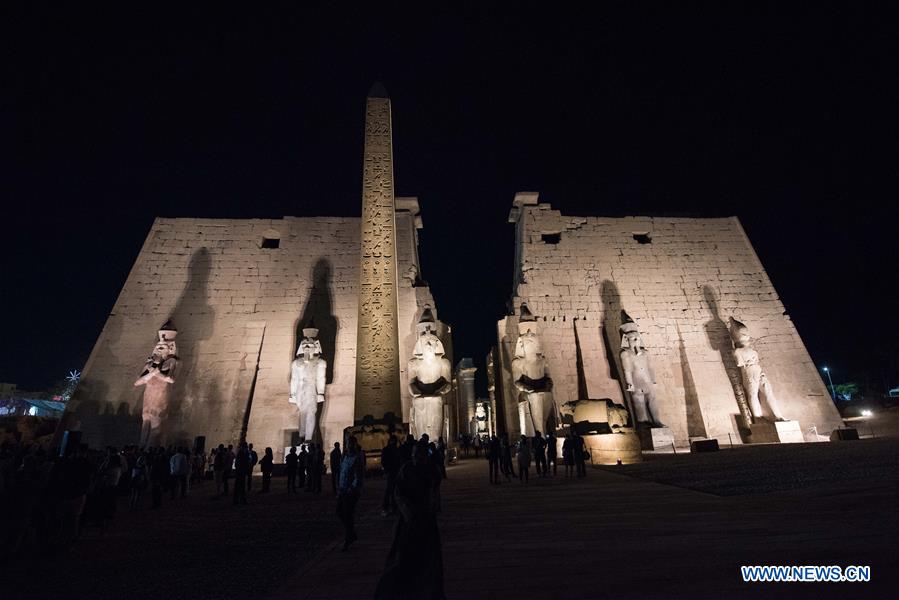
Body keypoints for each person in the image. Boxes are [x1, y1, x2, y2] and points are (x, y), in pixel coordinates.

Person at [375, 440, 444, 599]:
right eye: (413, 455)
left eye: (418, 455)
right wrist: (407, 510)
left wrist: (429, 507)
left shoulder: (430, 470)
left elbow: (434, 492)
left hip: (424, 521)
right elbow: (398, 493)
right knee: (401, 558)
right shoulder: (407, 469)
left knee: (428, 561)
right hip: (409, 521)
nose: (415, 458)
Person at [336, 436, 365, 550]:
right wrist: (339, 488)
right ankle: (351, 534)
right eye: (347, 444)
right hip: (343, 489)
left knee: (348, 515)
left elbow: (358, 476)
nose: (349, 446)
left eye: (351, 444)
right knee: (339, 512)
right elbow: (342, 472)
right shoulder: (345, 457)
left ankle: (348, 539)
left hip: (351, 491)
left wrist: (352, 489)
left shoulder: (357, 458)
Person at [381, 435, 400, 516]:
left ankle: (391, 507)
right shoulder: (392, 449)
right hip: (392, 471)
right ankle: (388, 507)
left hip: (393, 471)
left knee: (391, 490)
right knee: (390, 490)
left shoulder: (390, 449)